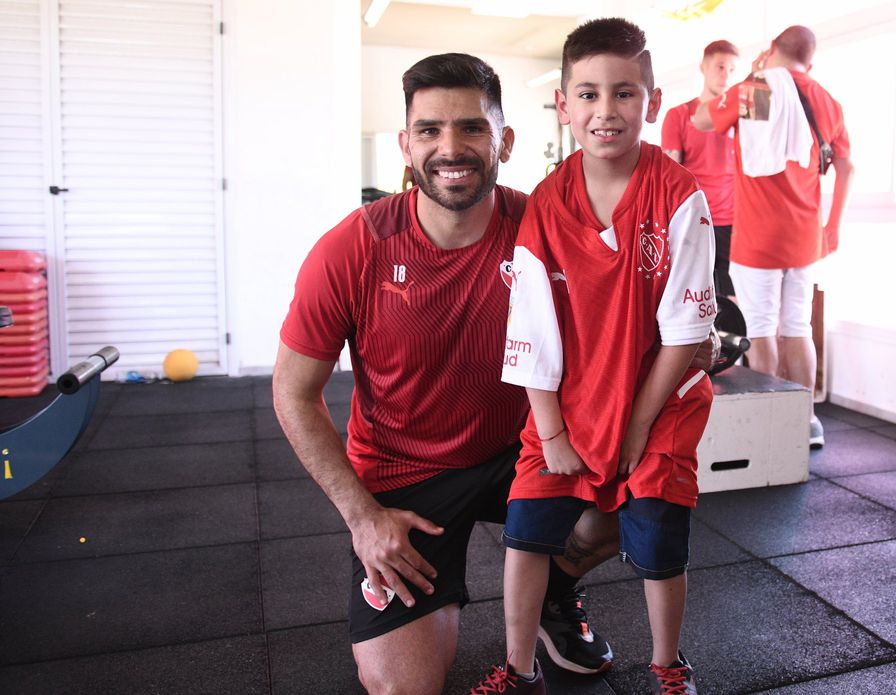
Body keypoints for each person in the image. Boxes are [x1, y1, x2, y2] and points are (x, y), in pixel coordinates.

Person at [274, 53, 716, 695]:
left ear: (503, 140)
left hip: (524, 447)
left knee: (636, 493)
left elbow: (653, 310)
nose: (450, 148)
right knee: (405, 687)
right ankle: (501, 590)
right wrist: (362, 516)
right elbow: (293, 392)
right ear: (405, 145)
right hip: (406, 479)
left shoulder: (547, 221)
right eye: (429, 130)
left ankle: (551, 593)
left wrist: (696, 341)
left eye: (472, 128)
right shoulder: (354, 248)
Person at [470, 18, 715, 695]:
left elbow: (687, 332)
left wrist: (636, 426)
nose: (605, 110)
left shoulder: (677, 195)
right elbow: (532, 327)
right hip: (567, 404)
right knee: (526, 532)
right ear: (563, 105)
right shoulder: (547, 203)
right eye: (587, 94)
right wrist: (550, 429)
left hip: (659, 402)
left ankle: (669, 664)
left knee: (660, 536)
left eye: (624, 93)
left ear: (654, 102)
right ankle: (518, 670)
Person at [693, 25, 854, 448]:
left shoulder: (756, 87)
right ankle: (805, 422)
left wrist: (753, 74)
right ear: (810, 61)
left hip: (758, 235)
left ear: (771, 51)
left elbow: (704, 118)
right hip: (805, 235)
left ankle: (772, 428)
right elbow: (847, 167)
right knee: (797, 325)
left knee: (762, 327)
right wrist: (833, 224)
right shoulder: (827, 100)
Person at [661, 39, 740, 299]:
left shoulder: (742, 118)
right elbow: (669, 176)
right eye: (719, 66)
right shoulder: (679, 114)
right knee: (693, 297)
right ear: (703, 67)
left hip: (732, 221)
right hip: (694, 219)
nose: (725, 75)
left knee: (733, 302)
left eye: (731, 69)